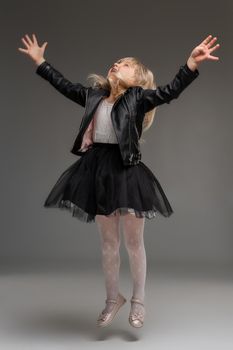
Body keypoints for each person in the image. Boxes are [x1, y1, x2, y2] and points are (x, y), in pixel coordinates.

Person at [18, 34, 220, 328]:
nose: (117, 64)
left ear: (136, 79)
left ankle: (138, 300)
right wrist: (41, 63)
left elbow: (169, 92)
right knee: (108, 243)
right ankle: (113, 299)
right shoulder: (93, 96)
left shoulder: (138, 98)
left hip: (126, 171)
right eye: (116, 62)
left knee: (134, 242)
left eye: (125, 64)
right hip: (97, 171)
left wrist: (190, 64)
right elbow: (64, 86)